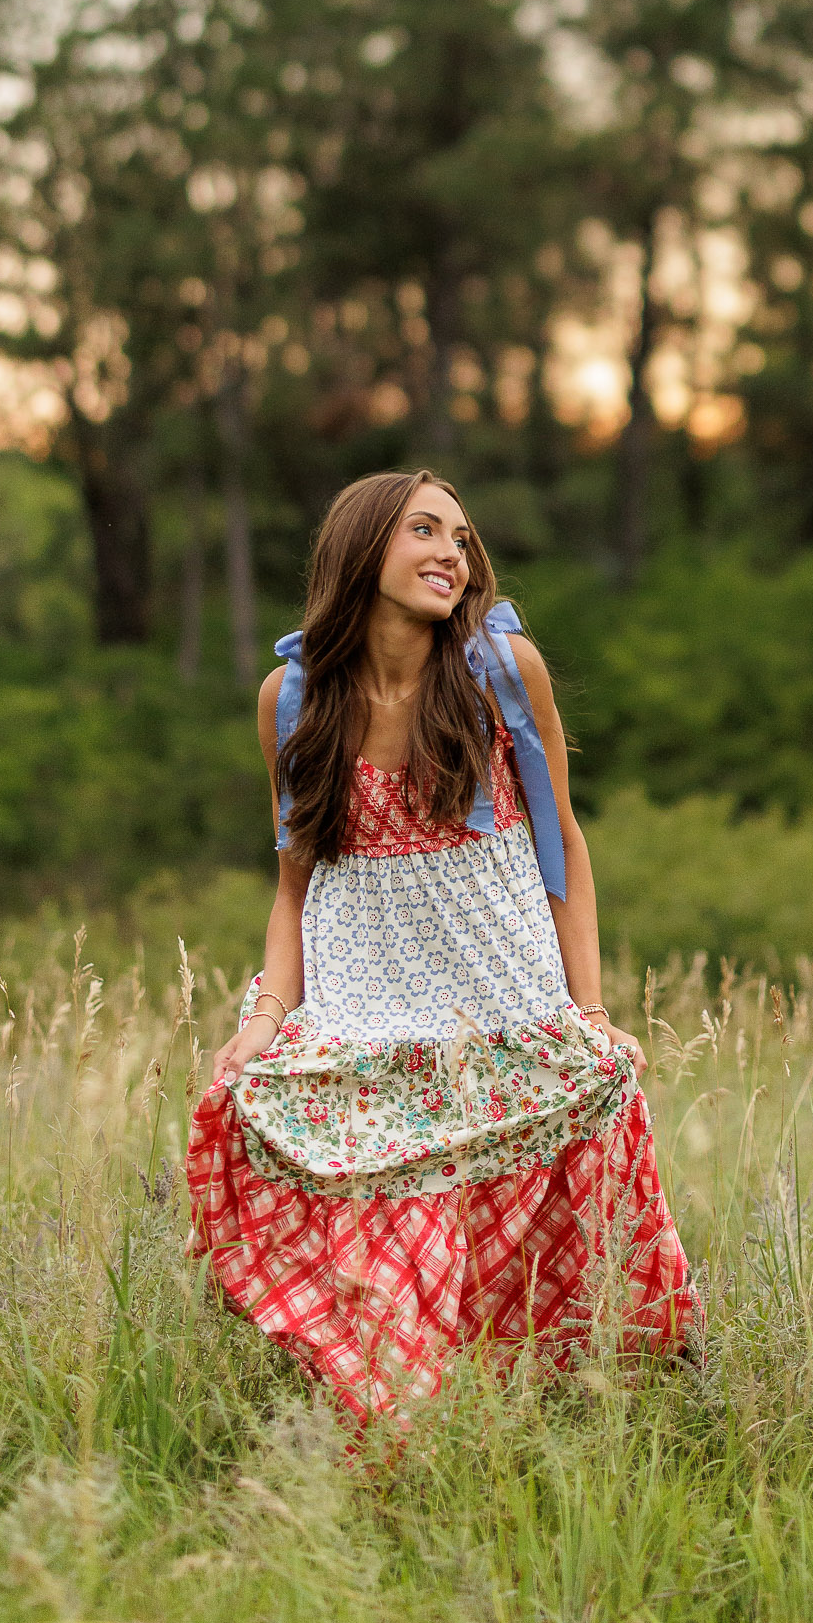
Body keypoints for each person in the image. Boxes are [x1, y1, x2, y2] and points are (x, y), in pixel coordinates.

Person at [184, 468, 700, 1423]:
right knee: (385, 1333)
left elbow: (566, 847)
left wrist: (587, 1013)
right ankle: (386, 1474)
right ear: (363, 546)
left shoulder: (501, 672)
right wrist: (264, 1019)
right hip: (364, 1042)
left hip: (504, 1027)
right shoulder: (290, 703)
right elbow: (296, 884)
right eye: (426, 532)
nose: (451, 557)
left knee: (555, 1320)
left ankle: (531, 1449)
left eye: (461, 541)